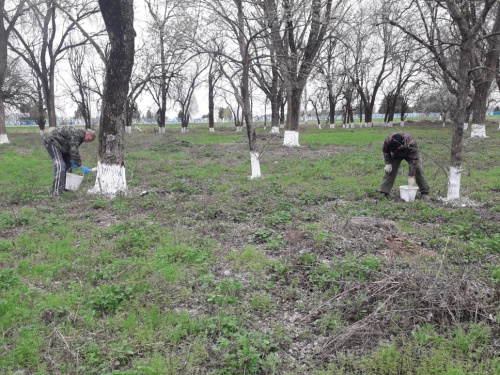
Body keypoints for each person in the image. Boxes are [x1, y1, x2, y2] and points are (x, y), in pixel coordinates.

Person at [44, 126, 96, 196]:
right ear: (88, 134)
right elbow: (73, 150)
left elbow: (69, 146)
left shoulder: (81, 138)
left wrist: (71, 160)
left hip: (62, 146)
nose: (88, 142)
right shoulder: (78, 134)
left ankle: (65, 187)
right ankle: (56, 192)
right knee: (60, 165)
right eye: (89, 139)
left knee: (68, 166)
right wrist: (80, 166)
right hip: (53, 142)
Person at [379, 132, 430, 198]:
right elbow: (386, 151)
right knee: (390, 170)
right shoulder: (388, 141)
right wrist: (388, 163)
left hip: (410, 154)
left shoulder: (411, 142)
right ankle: (384, 192)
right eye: (397, 147)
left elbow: (414, 159)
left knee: (418, 169)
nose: (399, 148)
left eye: (400, 147)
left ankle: (425, 192)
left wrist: (411, 176)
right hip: (396, 154)